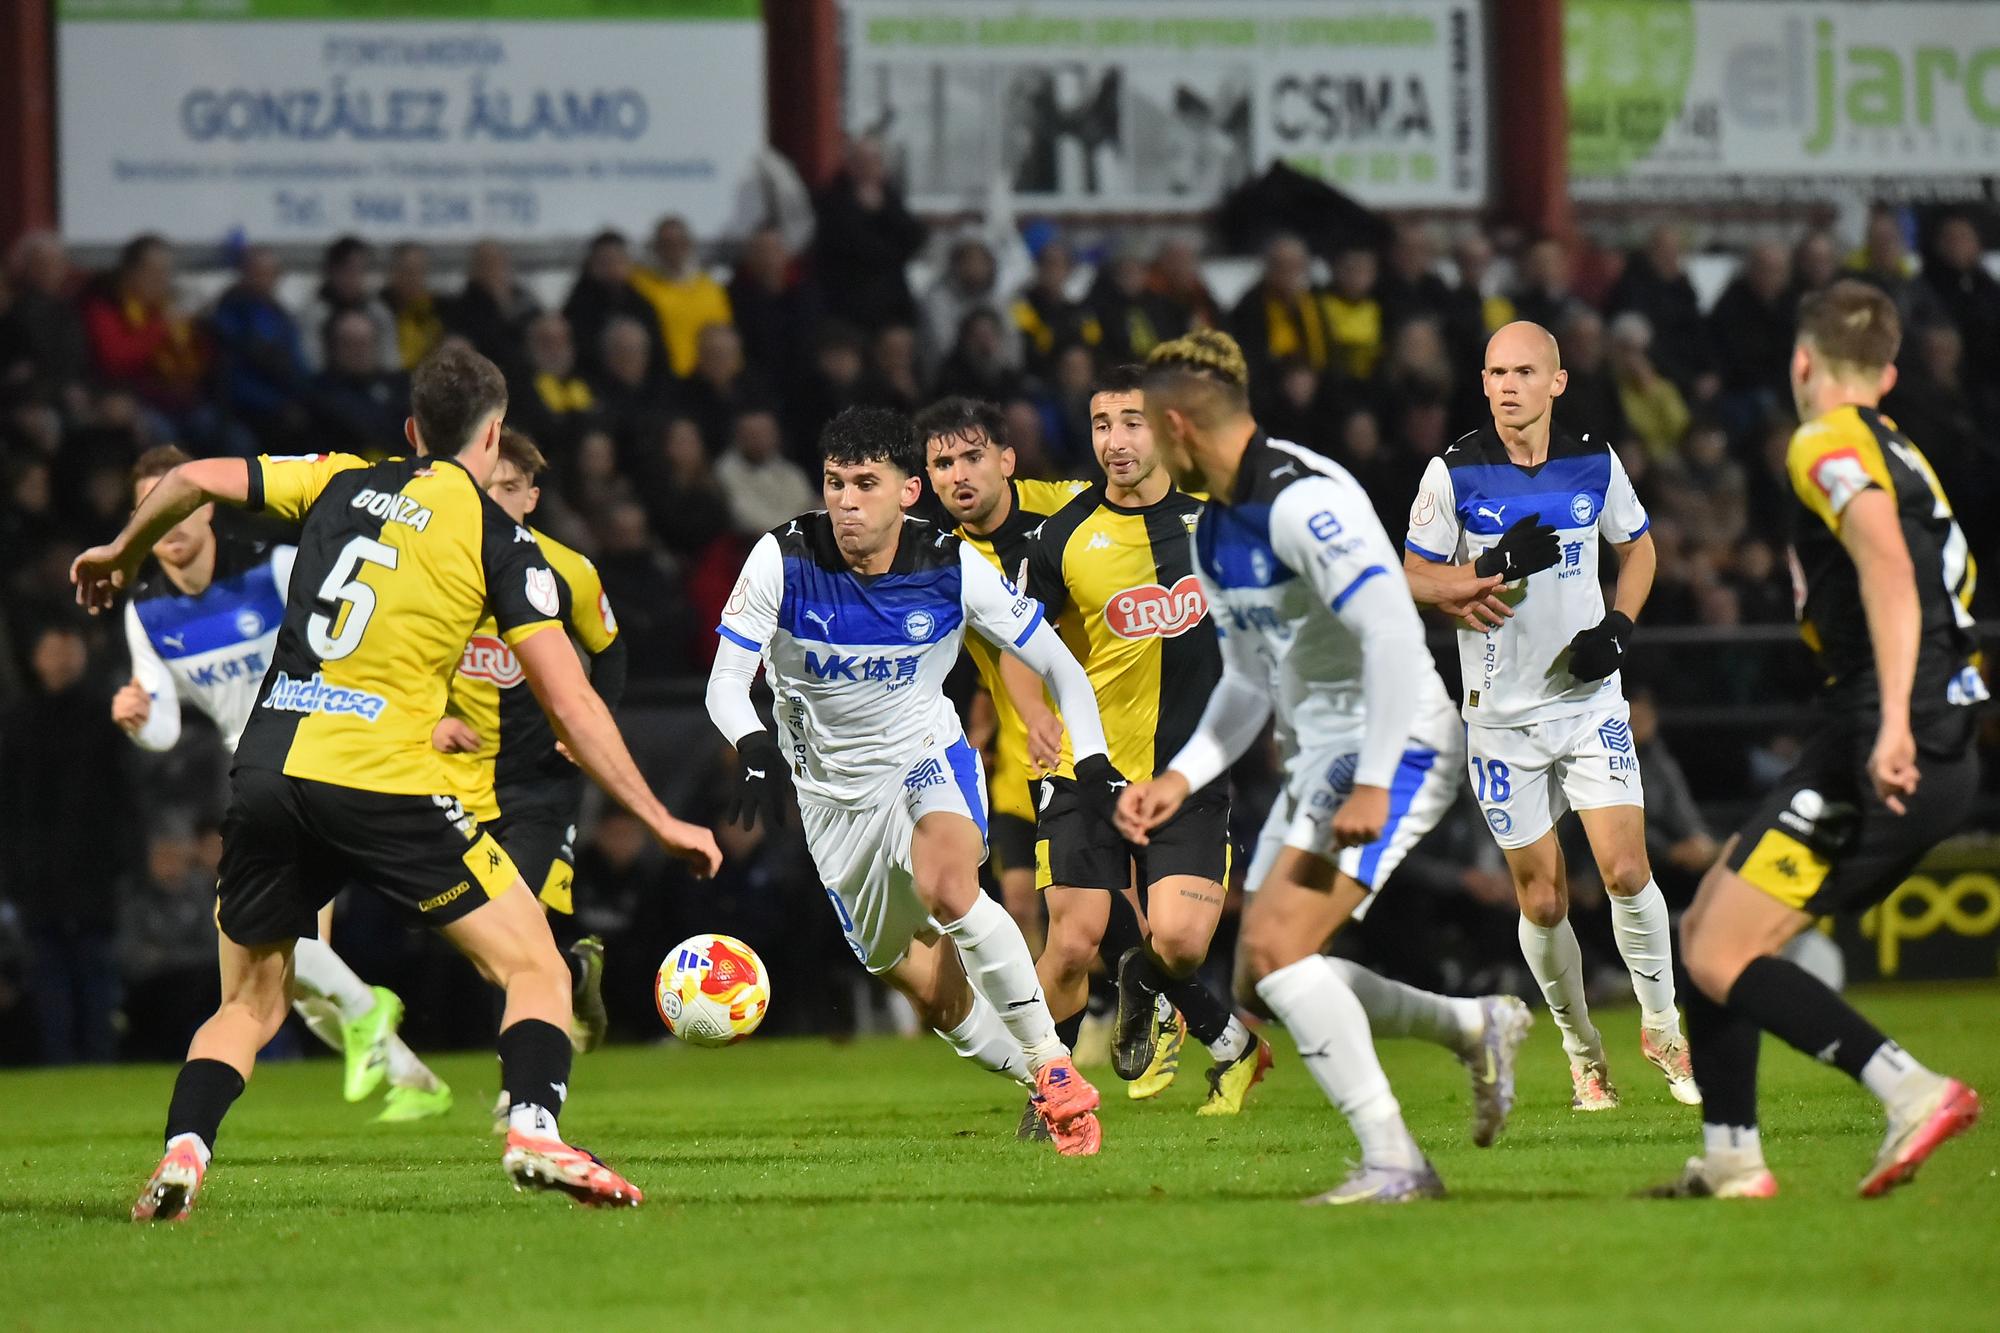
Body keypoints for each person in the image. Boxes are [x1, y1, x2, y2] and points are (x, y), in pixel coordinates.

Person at [74, 344, 721, 1220]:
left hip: (269, 769)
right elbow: (570, 699)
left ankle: (185, 1150)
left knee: (249, 1003)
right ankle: (534, 1125)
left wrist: (120, 551)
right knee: (536, 964)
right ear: (493, 437)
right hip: (385, 781)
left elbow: (188, 476)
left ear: (413, 430)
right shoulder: (503, 542)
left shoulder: (341, 478)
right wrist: (658, 816)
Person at [1116, 330, 1535, 1205]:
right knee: (1259, 975)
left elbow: (1390, 632)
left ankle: (1394, 1159)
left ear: (1180, 425)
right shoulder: (1216, 524)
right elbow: (1244, 678)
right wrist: (1182, 778)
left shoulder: (1303, 504)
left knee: (1276, 947)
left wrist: (1379, 778)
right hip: (1323, 753)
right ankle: (1473, 1026)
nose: (1136, 451)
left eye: (1145, 429)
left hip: (1396, 739)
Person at [704, 406, 1113, 1155]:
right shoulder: (782, 558)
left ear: (908, 491)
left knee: (951, 885)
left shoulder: (950, 564)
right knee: (932, 992)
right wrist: (754, 741)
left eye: (866, 483)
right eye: (834, 483)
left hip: (924, 758)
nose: (847, 501)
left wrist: (1090, 761)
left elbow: (1059, 662)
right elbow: (726, 680)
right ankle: (1036, 1077)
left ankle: (1056, 1067)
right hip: (831, 800)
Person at [1653, 281, 1985, 1200]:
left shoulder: (1824, 438)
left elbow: (1884, 561)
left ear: (1802, 362)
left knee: (1720, 951)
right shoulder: (1900, 446)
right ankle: (1730, 1157)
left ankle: (1910, 1089)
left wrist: (1888, 726)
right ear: (1888, 371)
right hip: (1909, 723)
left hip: (1891, 733)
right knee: (1707, 918)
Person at [1403, 320, 1697, 1110]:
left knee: (1628, 868)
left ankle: (1664, 1027)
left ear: (1556, 382)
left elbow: (1637, 549)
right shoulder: (1454, 471)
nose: (1507, 386)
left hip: (1586, 702)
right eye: (1495, 371)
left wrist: (1619, 630)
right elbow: (1412, 577)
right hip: (1499, 717)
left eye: (1524, 372)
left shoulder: (1593, 459)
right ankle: (1582, 1050)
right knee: (1543, 900)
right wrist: (1488, 566)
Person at [112, 444, 452, 1120]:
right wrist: (137, 718)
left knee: (246, 931)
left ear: (208, 507)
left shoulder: (274, 568)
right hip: (259, 772)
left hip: (322, 750)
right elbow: (167, 730)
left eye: (178, 502)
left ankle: (367, 1008)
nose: (168, 520)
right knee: (288, 967)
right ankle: (412, 1077)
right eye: (151, 507)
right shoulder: (145, 610)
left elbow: (365, 627)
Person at [999, 365, 1270, 1119]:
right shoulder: (1062, 534)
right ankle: (1047, 1096)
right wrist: (1036, 713)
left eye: (1131, 422)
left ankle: (1147, 982)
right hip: (1088, 771)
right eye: (1100, 424)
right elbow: (1017, 643)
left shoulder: (1220, 521)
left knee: (1180, 944)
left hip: (1186, 777)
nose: (1114, 442)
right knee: (1071, 941)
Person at [434, 429, 626, 1063]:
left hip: (537, 781)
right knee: (490, 944)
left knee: (514, 927)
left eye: (512, 488)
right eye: (489, 487)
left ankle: (522, 1094)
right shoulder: (435, 567)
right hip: (452, 781)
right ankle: (571, 976)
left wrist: (588, 725)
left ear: (533, 497)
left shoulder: (565, 569)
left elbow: (610, 651)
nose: (499, 498)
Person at [916, 398, 1088, 950]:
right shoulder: (945, 569)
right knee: (1027, 904)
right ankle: (1048, 1029)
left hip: (1109, 742)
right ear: (928, 481)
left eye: (973, 457)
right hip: (1024, 759)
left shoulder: (1075, 513)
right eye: (944, 465)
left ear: (1008, 461)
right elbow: (989, 667)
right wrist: (981, 727)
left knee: (1100, 919)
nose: (960, 475)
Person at [629, 215, 732, 379]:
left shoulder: (710, 288)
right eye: (667, 244)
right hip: (665, 380)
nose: (674, 250)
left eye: (680, 243)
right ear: (656, 247)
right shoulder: (640, 286)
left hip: (711, 381)